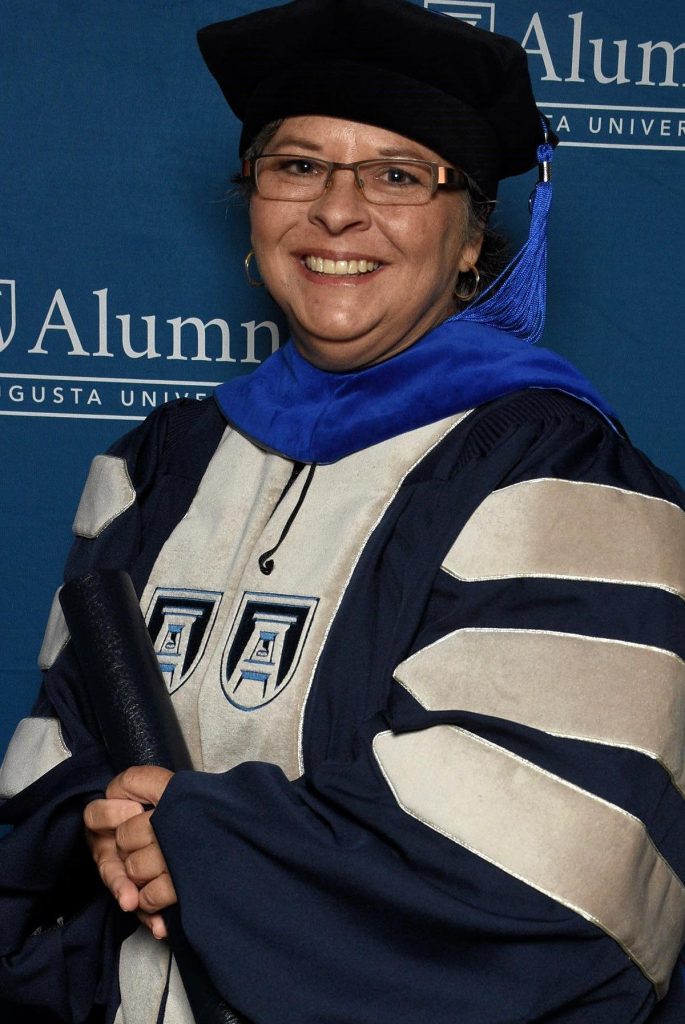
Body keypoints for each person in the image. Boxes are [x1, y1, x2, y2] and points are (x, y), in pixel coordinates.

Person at [1, 0, 684, 1021]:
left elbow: (546, 880)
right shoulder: (158, 464)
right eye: (296, 165)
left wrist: (192, 835)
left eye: (399, 175)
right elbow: (45, 782)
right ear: (253, 203)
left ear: (471, 242)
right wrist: (100, 825)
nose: (336, 210)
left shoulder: (564, 477)